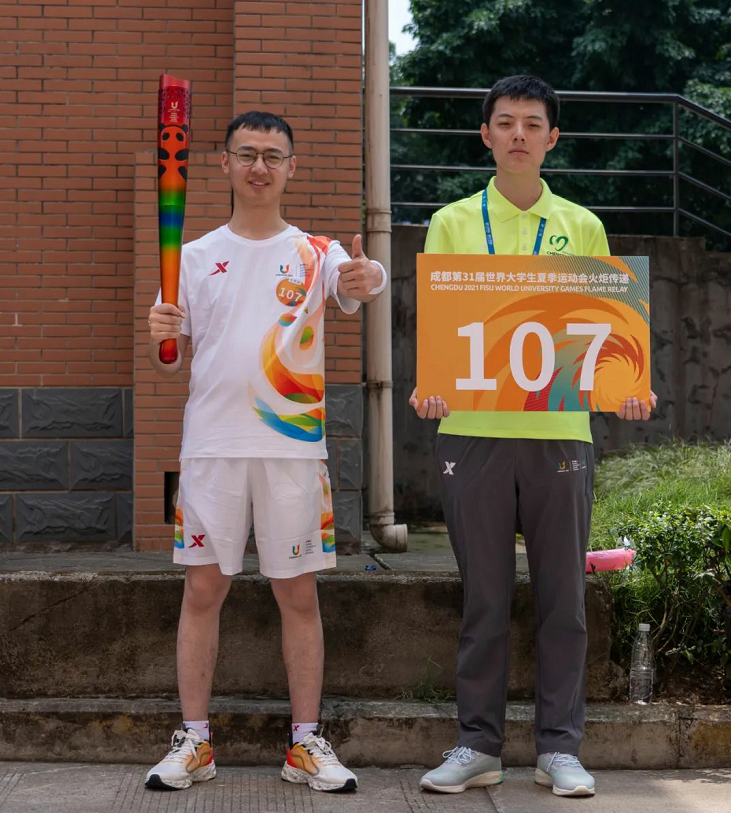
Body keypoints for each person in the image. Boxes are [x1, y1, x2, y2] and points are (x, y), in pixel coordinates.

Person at [410, 75, 657, 798]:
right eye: (505, 121)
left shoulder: (582, 225)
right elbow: (440, 331)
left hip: (559, 432)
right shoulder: (452, 221)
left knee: (563, 600)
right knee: (483, 600)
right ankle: (476, 744)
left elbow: (603, 331)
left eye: (532, 122)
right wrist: (428, 386)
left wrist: (628, 386)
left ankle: (559, 748)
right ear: (485, 134)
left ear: (552, 137)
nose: (518, 133)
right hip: (471, 431)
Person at [144, 111, 386, 793]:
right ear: (223, 163)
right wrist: (160, 332)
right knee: (202, 589)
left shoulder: (317, 252)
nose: (259, 166)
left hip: (293, 449)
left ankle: (305, 743)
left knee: (298, 593)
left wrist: (367, 276)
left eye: (272, 156)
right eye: (246, 154)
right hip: (211, 448)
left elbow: (360, 282)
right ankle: (194, 741)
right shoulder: (191, 257)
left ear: (291, 167)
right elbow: (168, 360)